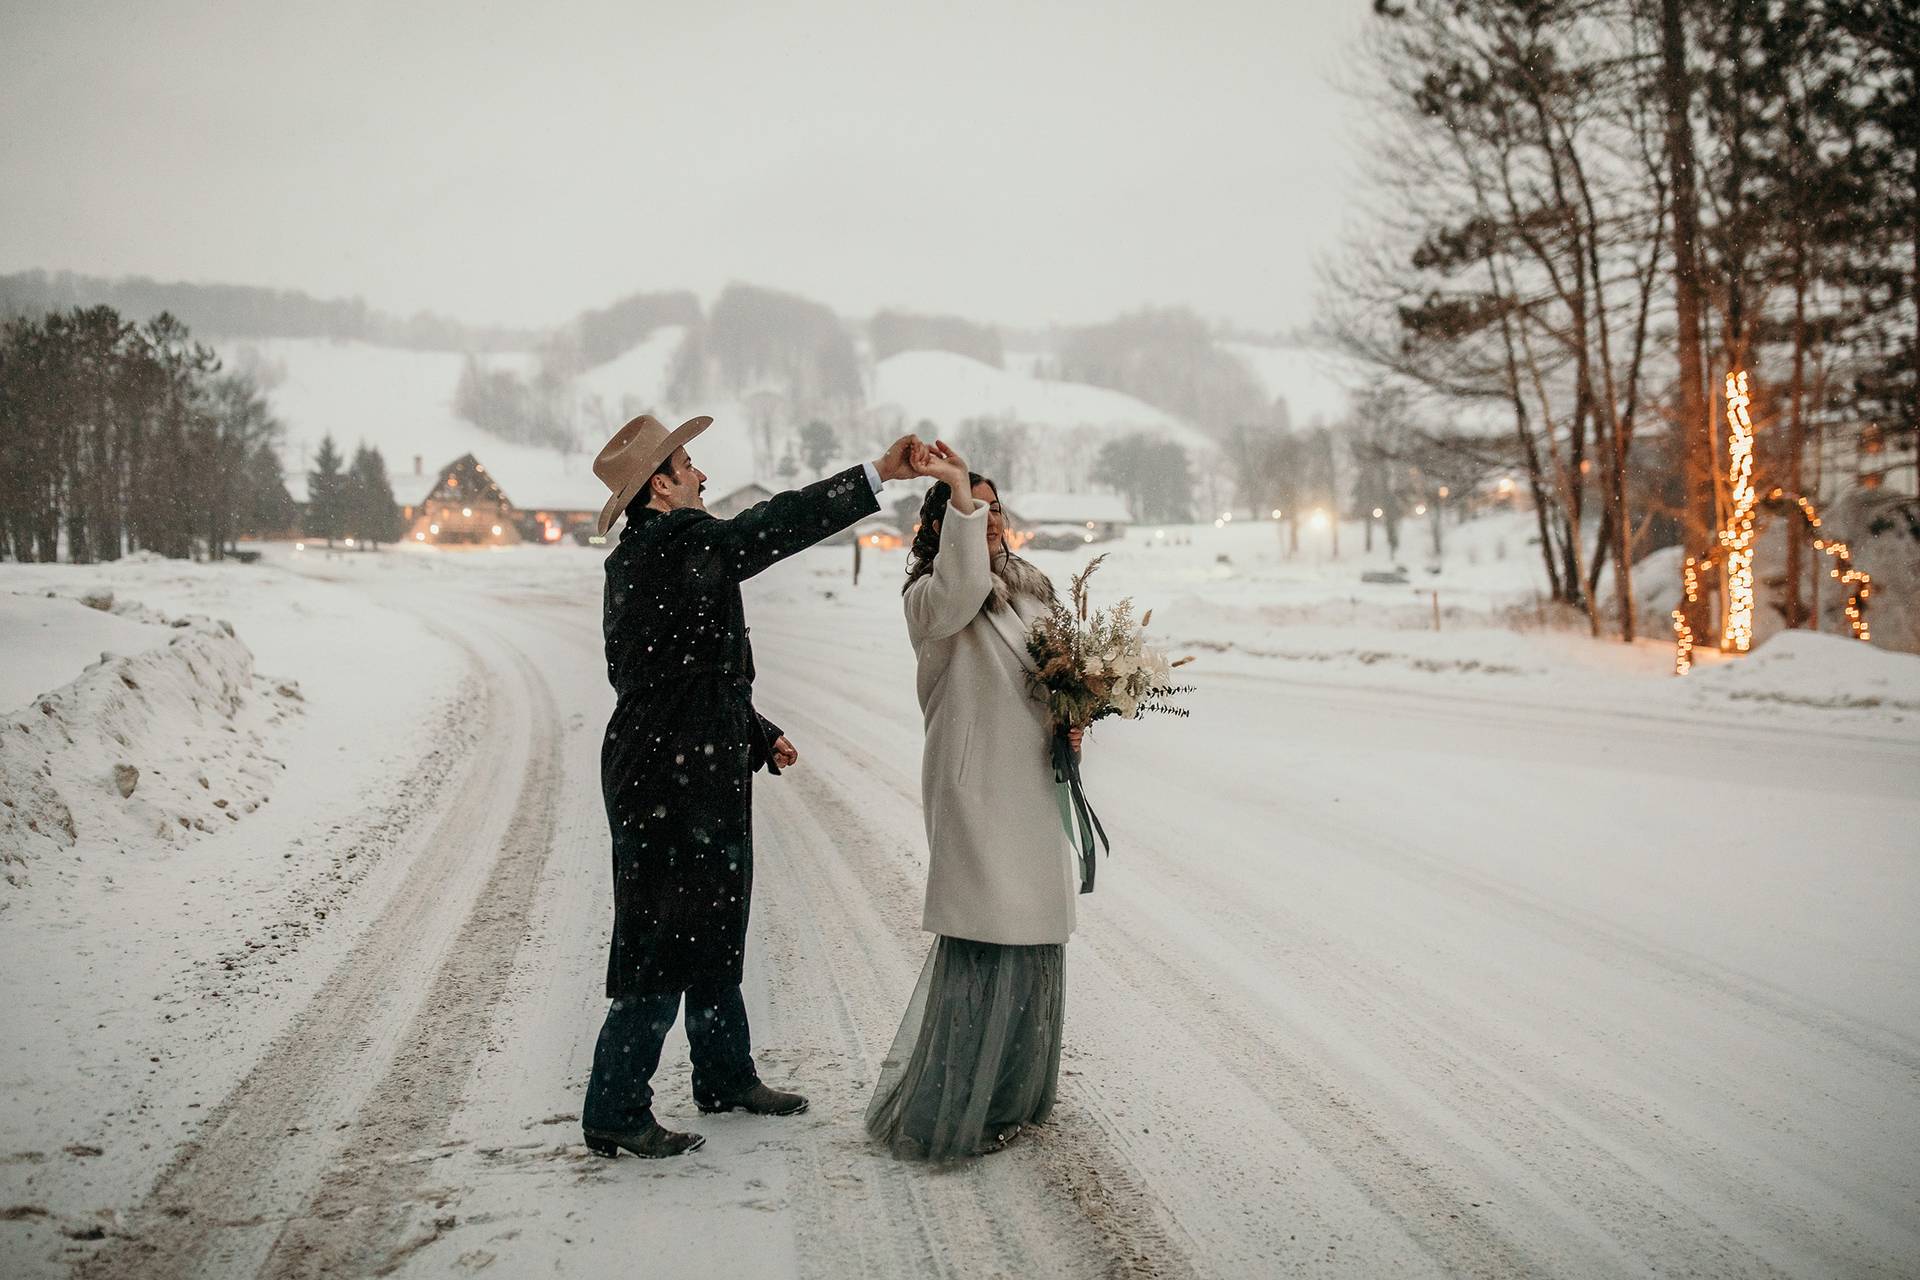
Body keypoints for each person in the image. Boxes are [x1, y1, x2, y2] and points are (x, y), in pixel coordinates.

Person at [583, 412, 924, 1160]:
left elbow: (682, 673)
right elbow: (774, 525)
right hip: (664, 771)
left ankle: (724, 1075)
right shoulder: (673, 545)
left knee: (710, 919)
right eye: (690, 465)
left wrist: (755, 728)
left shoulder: (656, 554)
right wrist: (876, 475)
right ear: (660, 486)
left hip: (687, 755)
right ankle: (614, 1107)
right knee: (659, 936)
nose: (703, 476)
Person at [865, 440, 1083, 1161]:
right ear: (941, 525)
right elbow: (961, 587)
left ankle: (1014, 1094)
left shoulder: (1032, 590)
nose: (987, 518)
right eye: (970, 508)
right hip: (978, 787)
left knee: (1032, 939)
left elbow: (1061, 670)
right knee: (988, 936)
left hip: (1032, 779)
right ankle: (956, 1104)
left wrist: (1079, 710)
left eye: (993, 507)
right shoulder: (931, 599)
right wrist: (957, 486)